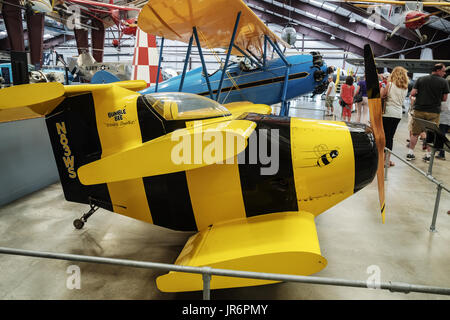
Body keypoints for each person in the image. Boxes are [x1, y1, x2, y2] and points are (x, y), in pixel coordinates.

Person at [407, 63, 450, 161]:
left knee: (415, 133)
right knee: (431, 134)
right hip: (433, 112)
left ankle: (410, 153)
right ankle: (428, 155)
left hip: (419, 110)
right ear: (438, 70)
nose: (444, 74)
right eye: (443, 71)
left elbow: (413, 93)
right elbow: (444, 98)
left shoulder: (421, 79)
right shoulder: (444, 82)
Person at [380, 66, 409, 167]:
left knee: (384, 136)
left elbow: (382, 95)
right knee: (390, 137)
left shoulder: (390, 85)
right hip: (398, 114)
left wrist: (383, 87)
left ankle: (382, 160)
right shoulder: (405, 88)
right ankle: (387, 160)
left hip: (388, 113)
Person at [436, 70, 450, 160]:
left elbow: (443, 103)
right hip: (447, 114)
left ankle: (441, 153)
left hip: (445, 114)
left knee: (442, 133)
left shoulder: (445, 92)